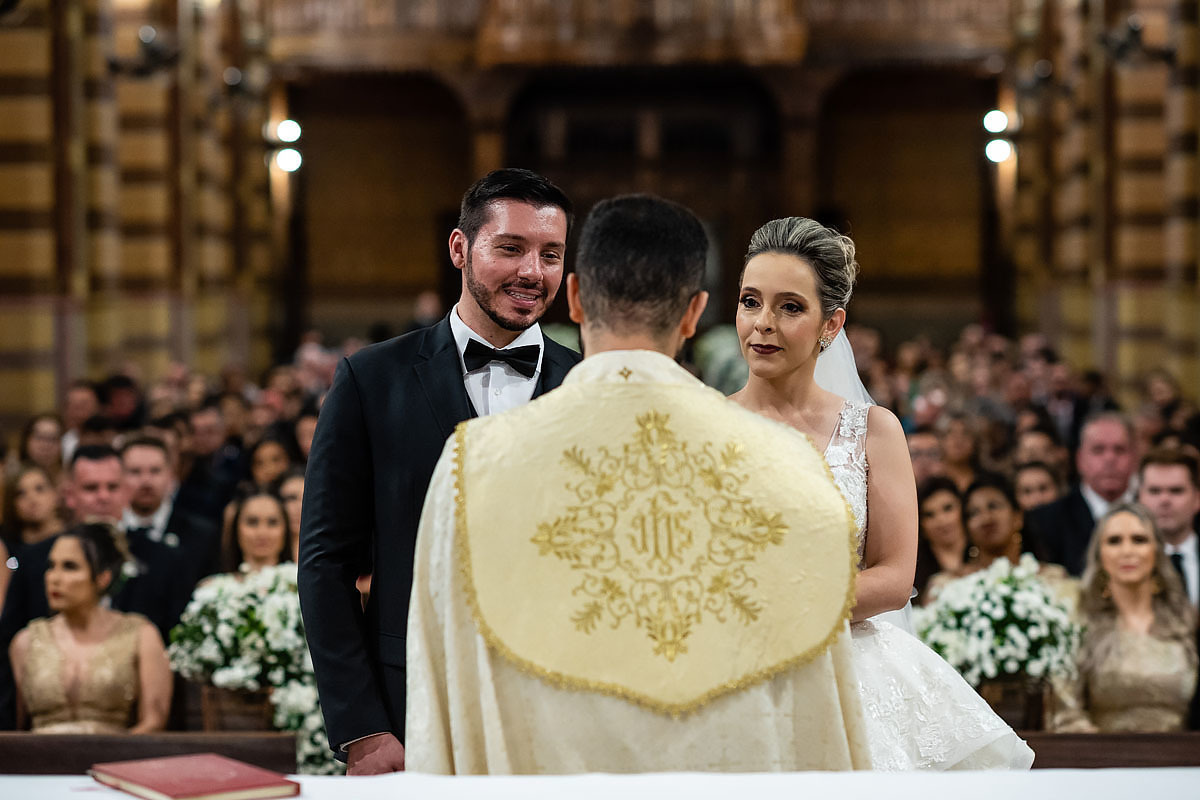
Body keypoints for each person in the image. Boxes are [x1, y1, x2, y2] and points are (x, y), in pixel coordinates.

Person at [406, 194, 872, 773]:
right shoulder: (789, 463)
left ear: (575, 297)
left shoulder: (474, 463)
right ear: (694, 312)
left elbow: (441, 678)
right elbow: (818, 711)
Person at [300, 168, 581, 773]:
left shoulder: (587, 386)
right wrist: (363, 728)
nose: (533, 272)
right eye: (511, 248)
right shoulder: (370, 380)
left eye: (551, 254)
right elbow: (326, 562)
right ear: (460, 248)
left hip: (559, 716)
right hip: (408, 708)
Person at [729, 216, 1032, 770]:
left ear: (831, 323)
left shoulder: (873, 430)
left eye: (790, 307)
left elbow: (894, 577)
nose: (763, 324)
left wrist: (787, 604)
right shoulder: (703, 425)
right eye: (751, 302)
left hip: (850, 666)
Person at [8, 523, 172, 732]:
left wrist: (110, 751)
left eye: (70, 567)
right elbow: (14, 726)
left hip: (117, 750)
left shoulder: (141, 635)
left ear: (103, 577)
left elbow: (154, 722)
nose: (54, 578)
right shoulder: (26, 641)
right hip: (38, 752)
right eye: (51, 566)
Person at [1050, 504, 1198, 731]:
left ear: (1157, 550)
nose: (1127, 551)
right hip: (1100, 750)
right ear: (1099, 554)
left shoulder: (1186, 620)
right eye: (1114, 541)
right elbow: (1066, 714)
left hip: (1184, 750)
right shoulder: (1079, 622)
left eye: (1139, 540)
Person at [1025, 412, 1137, 576]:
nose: (1110, 458)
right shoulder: (1045, 521)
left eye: (1119, 450)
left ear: (1135, 458)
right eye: (1098, 450)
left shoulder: (1155, 514)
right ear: (1080, 459)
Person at [0, 465, 66, 615]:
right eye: (21, 493)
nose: (32, 499)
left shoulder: (74, 540)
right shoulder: (5, 546)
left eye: (40, 489)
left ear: (55, 494)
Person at [914, 476, 969, 604]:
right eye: (930, 515)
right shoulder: (914, 570)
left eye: (948, 508)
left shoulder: (985, 553)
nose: (941, 520)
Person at [222, 489, 292, 574]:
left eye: (272, 522)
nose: (262, 533)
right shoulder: (214, 582)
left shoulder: (300, 581)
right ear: (236, 528)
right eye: (252, 522)